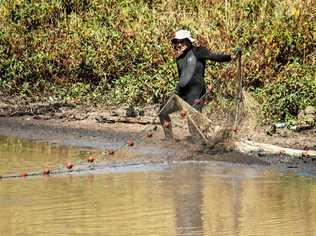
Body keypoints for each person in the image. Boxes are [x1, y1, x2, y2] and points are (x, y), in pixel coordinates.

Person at [159, 29, 236, 140]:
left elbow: (214, 56)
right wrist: (176, 91)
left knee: (193, 123)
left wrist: (229, 57)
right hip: (182, 94)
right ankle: (169, 139)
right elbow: (182, 78)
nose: (179, 44)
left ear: (188, 41)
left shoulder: (198, 51)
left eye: (182, 41)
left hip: (196, 94)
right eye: (176, 42)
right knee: (163, 112)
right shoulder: (179, 59)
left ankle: (200, 147)